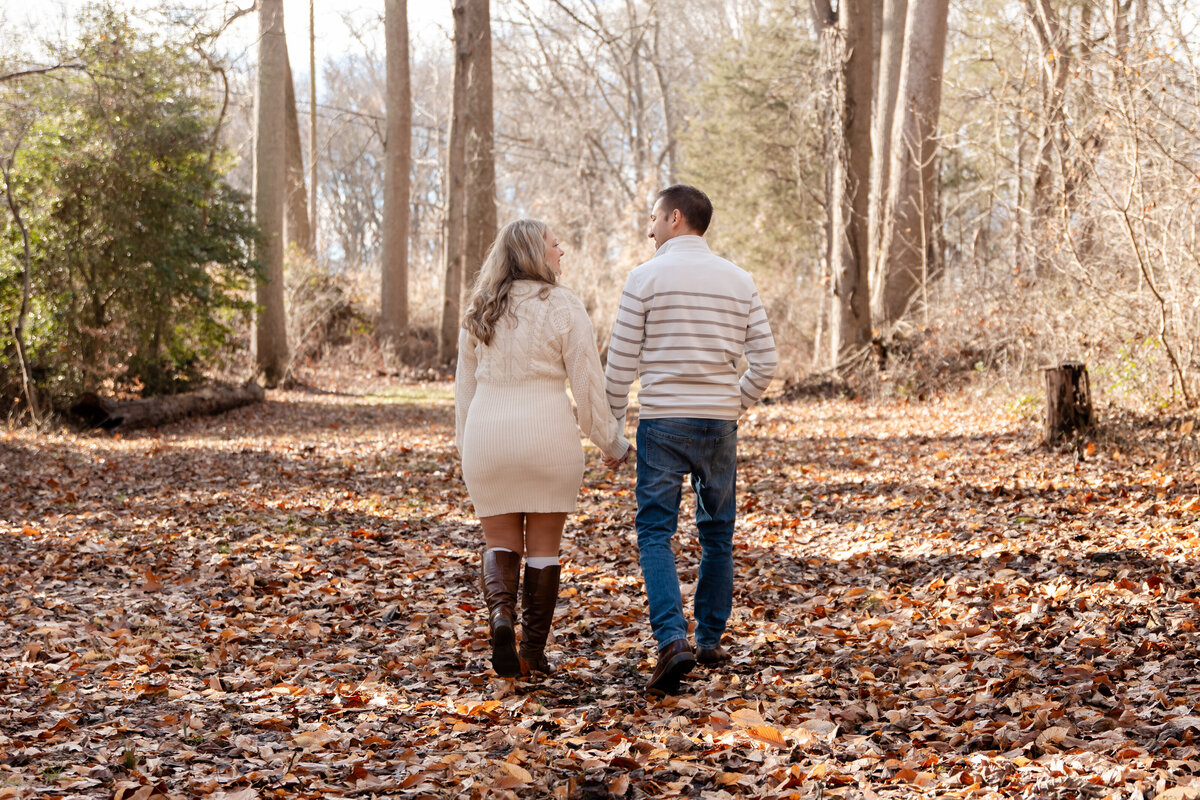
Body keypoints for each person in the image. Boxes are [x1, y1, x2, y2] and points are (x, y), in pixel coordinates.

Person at [604, 185, 777, 695]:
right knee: (717, 533)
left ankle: (671, 640)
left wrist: (612, 427)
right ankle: (708, 639)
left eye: (654, 218)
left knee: (655, 532)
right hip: (717, 424)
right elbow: (765, 362)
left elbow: (619, 366)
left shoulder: (644, 278)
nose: (649, 228)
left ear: (675, 218)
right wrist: (734, 402)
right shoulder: (739, 280)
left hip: (661, 421)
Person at [455, 218, 631, 678]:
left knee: (500, 542)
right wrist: (612, 441)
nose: (562, 252)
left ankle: (501, 618)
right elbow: (588, 388)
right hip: (547, 438)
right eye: (556, 245)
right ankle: (531, 654)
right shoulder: (563, 305)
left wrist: (467, 451)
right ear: (536, 253)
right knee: (544, 549)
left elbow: (464, 393)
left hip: (488, 437)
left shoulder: (480, 308)